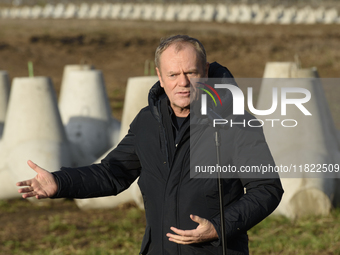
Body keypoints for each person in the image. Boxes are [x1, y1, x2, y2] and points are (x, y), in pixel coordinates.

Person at [17, 35, 283, 255]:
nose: (182, 82)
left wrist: (218, 227)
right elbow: (113, 173)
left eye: (191, 72)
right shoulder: (148, 122)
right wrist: (59, 182)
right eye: (173, 74)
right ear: (159, 75)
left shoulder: (234, 122)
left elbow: (267, 188)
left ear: (205, 71)